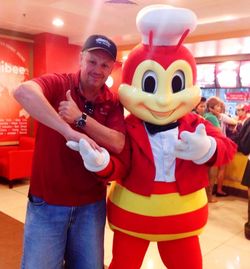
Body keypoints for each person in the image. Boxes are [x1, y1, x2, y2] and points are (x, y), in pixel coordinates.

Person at [13, 34, 126, 269]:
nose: (97, 69)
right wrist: (69, 131)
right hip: (47, 204)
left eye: (105, 64)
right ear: (81, 59)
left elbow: (118, 143)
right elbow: (23, 92)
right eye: (92, 61)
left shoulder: (112, 101)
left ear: (111, 68)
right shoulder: (60, 83)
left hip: (90, 207)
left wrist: (81, 119)